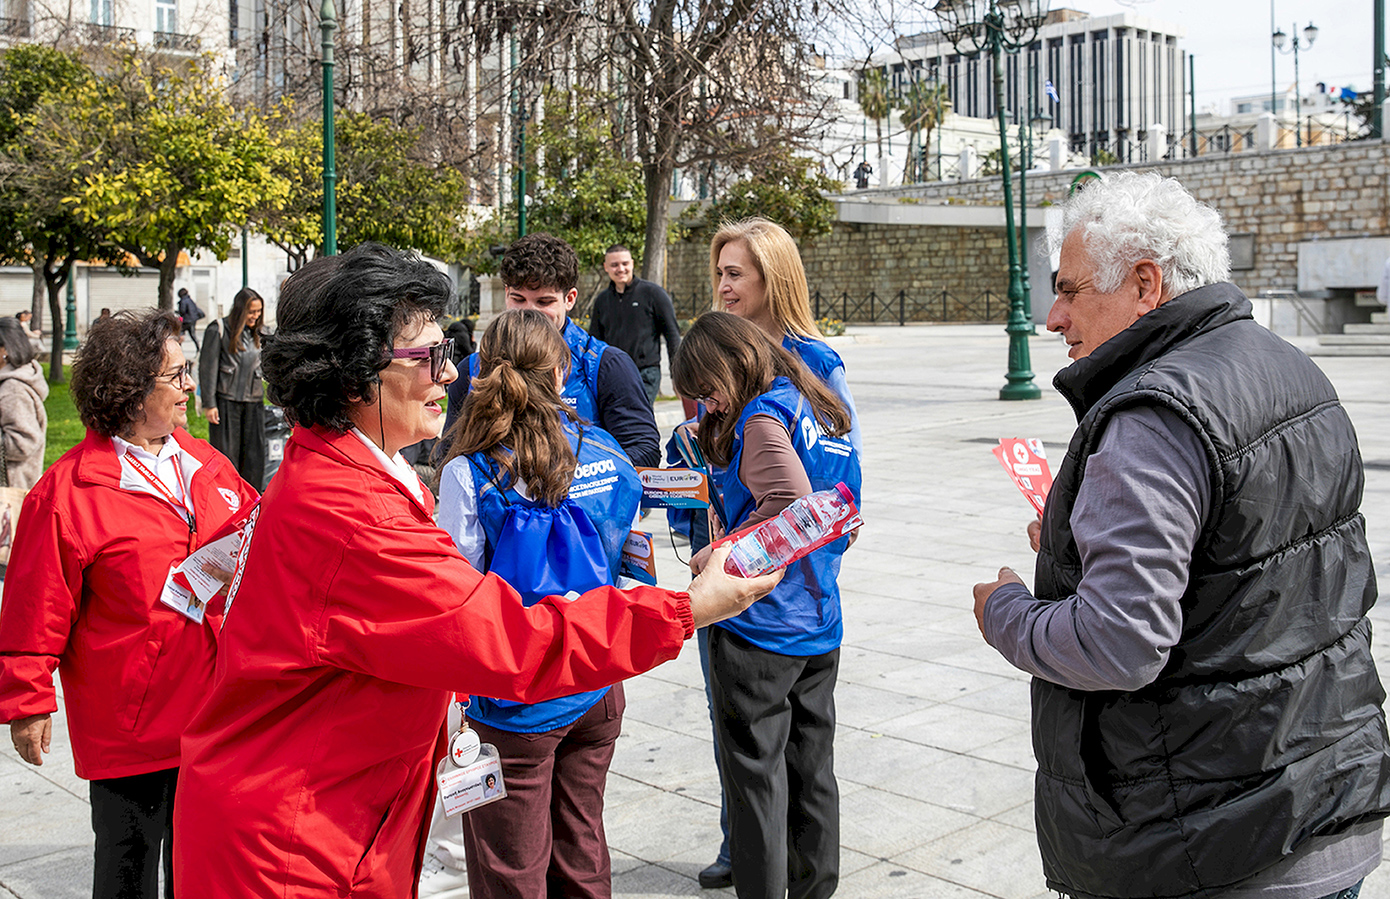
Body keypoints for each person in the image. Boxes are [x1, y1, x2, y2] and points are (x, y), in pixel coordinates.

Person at [172, 242, 781, 899]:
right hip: (296, 850)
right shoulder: (352, 515)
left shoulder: (352, 471)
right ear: (355, 374)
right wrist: (692, 605)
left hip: (323, 822)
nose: (452, 376)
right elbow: (508, 639)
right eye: (432, 356)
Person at [971, 171, 1390, 899]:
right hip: (1324, 803)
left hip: (1214, 846)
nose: (1053, 316)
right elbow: (1252, 572)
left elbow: (1119, 642)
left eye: (1070, 290)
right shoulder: (1293, 369)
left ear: (1144, 283)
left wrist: (1006, 612)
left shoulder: (1153, 414)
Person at [0, 309, 259, 899]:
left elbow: (256, 536)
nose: (191, 386)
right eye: (178, 374)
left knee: (204, 864)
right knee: (128, 867)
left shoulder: (206, 463)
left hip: (215, 706)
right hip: (132, 720)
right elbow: (35, 606)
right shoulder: (67, 493)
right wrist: (27, 699)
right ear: (132, 388)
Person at [430, 308, 645, 899]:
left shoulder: (470, 471)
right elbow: (625, 537)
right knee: (583, 850)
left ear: (482, 372)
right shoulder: (603, 449)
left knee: (510, 872)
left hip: (512, 697)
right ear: (562, 371)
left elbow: (458, 586)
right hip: (596, 678)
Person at [677, 311, 860, 899]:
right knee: (813, 772)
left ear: (732, 364)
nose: (707, 404)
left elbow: (788, 501)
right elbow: (844, 506)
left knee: (755, 777)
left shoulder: (762, 416)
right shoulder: (818, 403)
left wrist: (721, 555)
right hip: (818, 613)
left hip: (761, 618)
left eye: (708, 389)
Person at [444, 233, 659, 468]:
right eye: (518, 299)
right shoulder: (472, 369)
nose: (529, 312)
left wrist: (571, 476)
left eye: (544, 302)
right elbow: (449, 453)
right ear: (506, 294)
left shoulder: (607, 365)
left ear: (570, 299)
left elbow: (644, 450)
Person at [710, 218, 861, 456]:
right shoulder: (718, 357)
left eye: (734, 274)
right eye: (720, 274)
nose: (722, 287)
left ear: (772, 277)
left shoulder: (816, 360)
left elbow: (846, 455)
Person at [588, 244, 682, 407]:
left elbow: (672, 336)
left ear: (632, 263)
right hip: (613, 374)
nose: (620, 269)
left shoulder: (653, 293)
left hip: (645, 373)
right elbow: (594, 342)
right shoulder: (602, 300)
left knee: (637, 417)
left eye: (625, 263)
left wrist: (678, 376)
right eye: (614, 265)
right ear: (606, 268)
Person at [198, 287, 267, 490]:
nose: (256, 316)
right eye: (252, 311)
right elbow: (208, 367)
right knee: (227, 455)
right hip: (226, 401)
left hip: (253, 401)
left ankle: (251, 500)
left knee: (254, 458)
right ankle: (227, 497)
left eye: (259, 311)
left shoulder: (261, 334)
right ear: (240, 310)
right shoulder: (218, 329)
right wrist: (210, 404)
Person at [0, 316, 49, 490]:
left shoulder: (13, 389)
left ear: (4, 350)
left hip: (10, 486)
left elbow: (24, 442)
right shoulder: (13, 380)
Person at [176, 288, 204, 352]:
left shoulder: (183, 301)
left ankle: (178, 347)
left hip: (186, 321)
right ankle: (198, 347)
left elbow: (182, 311)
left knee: (180, 333)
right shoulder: (190, 300)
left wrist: (177, 312)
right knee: (193, 335)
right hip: (192, 320)